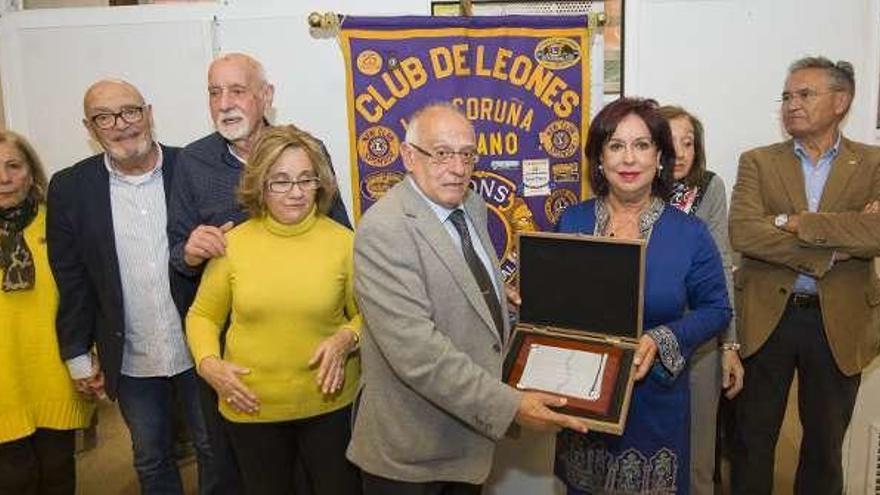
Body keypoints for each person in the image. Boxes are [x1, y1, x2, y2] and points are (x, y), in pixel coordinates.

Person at [349, 102, 589, 495]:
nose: (458, 168)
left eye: (467, 154)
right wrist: (511, 406)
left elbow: (462, 281)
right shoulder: (385, 230)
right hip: (412, 454)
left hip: (465, 443)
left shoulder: (470, 203)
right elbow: (418, 353)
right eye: (441, 153)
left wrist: (497, 298)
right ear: (409, 156)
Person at [167, 53, 350, 493]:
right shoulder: (193, 162)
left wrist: (345, 334)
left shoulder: (309, 151)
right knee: (237, 476)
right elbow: (177, 255)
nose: (225, 102)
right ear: (260, 186)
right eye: (215, 92)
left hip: (319, 381)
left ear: (265, 96)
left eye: (237, 90)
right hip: (241, 371)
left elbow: (339, 236)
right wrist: (190, 252)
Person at [553, 97, 731, 495]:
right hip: (585, 399)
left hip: (656, 398)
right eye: (615, 146)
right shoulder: (573, 221)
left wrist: (661, 338)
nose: (628, 159)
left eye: (642, 145)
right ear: (599, 159)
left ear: (659, 157)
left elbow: (717, 308)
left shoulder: (690, 234)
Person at [46, 79, 213, 495]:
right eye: (105, 117)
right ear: (90, 128)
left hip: (199, 344)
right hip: (131, 353)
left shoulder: (191, 167)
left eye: (130, 111)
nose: (121, 124)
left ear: (149, 113)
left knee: (214, 447)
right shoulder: (70, 188)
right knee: (150, 455)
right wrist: (76, 354)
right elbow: (71, 277)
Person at [729, 56, 880, 495]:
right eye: (787, 96)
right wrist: (835, 243)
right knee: (751, 441)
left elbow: (876, 235)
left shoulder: (872, 164)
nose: (792, 104)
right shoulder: (757, 161)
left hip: (840, 323)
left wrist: (794, 222)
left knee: (825, 446)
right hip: (766, 318)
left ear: (840, 101)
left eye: (804, 94)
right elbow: (744, 233)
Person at [0, 130, 95, 495]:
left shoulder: (59, 222)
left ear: (31, 172)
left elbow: (84, 296)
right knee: (14, 478)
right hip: (5, 384)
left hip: (55, 376)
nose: (5, 178)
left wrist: (90, 356)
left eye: (14, 166)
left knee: (58, 474)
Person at [658, 105, 744, 495]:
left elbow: (722, 263)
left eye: (688, 143)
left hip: (700, 334)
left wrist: (729, 343)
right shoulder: (632, 188)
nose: (680, 153)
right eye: (670, 142)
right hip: (645, 331)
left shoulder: (709, 187)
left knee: (698, 452)